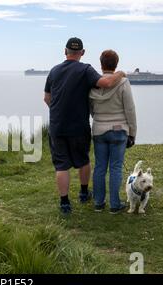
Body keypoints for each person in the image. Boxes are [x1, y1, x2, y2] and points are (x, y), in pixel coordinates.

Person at [44, 37, 126, 216]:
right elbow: (106, 83)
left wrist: (58, 112)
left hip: (57, 126)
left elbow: (47, 98)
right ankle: (83, 193)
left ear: (65, 51)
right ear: (82, 53)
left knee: (61, 166)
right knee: (83, 161)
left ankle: (65, 203)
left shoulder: (54, 71)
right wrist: (120, 73)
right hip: (78, 126)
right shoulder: (85, 70)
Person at [89, 49, 137, 214]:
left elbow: (91, 109)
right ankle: (115, 205)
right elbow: (130, 109)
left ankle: (98, 203)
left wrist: (98, 119)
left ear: (101, 64)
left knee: (100, 167)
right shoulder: (123, 82)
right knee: (115, 167)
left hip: (98, 129)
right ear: (116, 64)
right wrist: (132, 133)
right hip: (119, 130)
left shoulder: (94, 83)